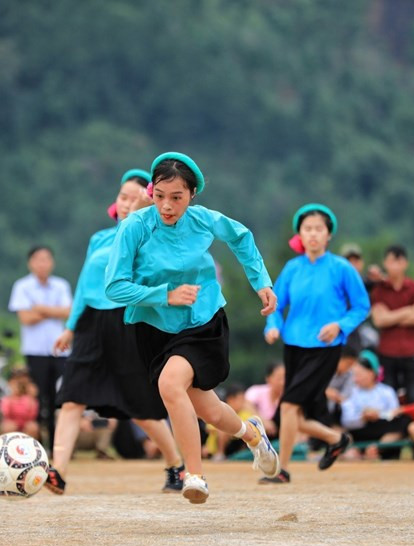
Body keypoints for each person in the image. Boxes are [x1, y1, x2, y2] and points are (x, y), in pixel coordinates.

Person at [105, 152, 280, 504]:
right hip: (153, 330)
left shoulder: (203, 221)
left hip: (202, 323)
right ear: (151, 192)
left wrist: (261, 281)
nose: (167, 206)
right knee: (211, 411)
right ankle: (252, 434)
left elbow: (241, 238)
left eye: (177, 198)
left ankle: (194, 475)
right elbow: (115, 287)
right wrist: (165, 295)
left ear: (192, 194)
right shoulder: (135, 227)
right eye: (159, 197)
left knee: (171, 385)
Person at [46, 168, 185, 495]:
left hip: (127, 321)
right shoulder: (99, 239)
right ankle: (58, 472)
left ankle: (176, 464)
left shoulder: (149, 241)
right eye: (123, 196)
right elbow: (83, 285)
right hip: (91, 324)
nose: (127, 203)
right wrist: (70, 326)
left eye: (136, 198)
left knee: (141, 409)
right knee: (71, 399)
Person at [264, 203, 370, 484]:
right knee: (295, 415)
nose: (312, 234)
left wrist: (340, 325)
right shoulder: (292, 267)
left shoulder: (341, 268)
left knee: (288, 406)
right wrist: (273, 326)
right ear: (300, 233)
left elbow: (361, 306)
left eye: (318, 229)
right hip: (293, 345)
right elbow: (275, 303)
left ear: (328, 235)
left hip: (325, 348)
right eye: (307, 229)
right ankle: (336, 439)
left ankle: (282, 470)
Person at [8, 245, 72, 452]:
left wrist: (41, 309)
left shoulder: (61, 285)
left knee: (58, 398)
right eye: (38, 259)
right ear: (30, 263)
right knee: (37, 398)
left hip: (59, 349)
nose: (42, 264)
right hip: (35, 351)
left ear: (52, 262)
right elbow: (25, 318)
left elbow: (68, 312)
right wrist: (54, 311)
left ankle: (56, 445)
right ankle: (37, 446)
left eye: (46, 259)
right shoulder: (22, 286)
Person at [370, 245, 414, 404]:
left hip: (411, 351)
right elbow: (379, 320)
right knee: (388, 396)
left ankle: (412, 429)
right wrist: (408, 310)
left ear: (405, 263)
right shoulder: (379, 290)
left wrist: (390, 315)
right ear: (385, 263)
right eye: (391, 261)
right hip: (387, 351)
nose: (395, 266)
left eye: (398, 261)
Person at [340, 350, 409, 460]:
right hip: (359, 431)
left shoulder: (387, 391)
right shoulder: (351, 393)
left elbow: (395, 413)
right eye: (355, 375)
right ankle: (356, 451)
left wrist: (379, 414)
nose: (356, 379)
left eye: (360, 375)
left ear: (372, 373)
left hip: (383, 432)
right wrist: (363, 417)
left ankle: (375, 449)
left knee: (403, 424)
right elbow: (346, 420)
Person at [209, 384, 256, 460]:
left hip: (237, 441)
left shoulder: (244, 412)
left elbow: (249, 425)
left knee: (248, 430)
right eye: (241, 399)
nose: (243, 403)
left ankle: (241, 454)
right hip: (219, 444)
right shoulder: (221, 410)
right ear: (231, 400)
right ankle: (220, 453)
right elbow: (211, 428)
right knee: (222, 430)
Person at [244, 362, 285, 438]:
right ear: (268, 378)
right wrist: (262, 421)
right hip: (256, 434)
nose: (282, 382)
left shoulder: (288, 397)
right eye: (279, 378)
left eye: (285, 378)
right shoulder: (257, 391)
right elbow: (246, 404)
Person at [0, 367, 40, 439]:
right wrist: (12, 396)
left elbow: (33, 414)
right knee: (8, 427)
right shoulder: (8, 398)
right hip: (12, 420)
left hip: (26, 421)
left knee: (32, 427)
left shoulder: (29, 397)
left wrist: (31, 396)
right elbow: (5, 412)